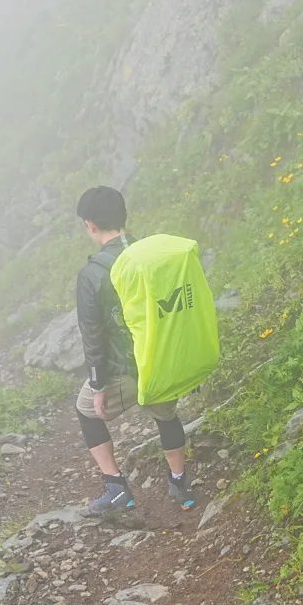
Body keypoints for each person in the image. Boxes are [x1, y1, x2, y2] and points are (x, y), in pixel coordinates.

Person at [73, 185, 198, 513]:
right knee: (166, 415)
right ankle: (179, 484)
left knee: (85, 409)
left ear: (90, 225)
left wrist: (98, 385)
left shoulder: (93, 273)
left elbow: (94, 336)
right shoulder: (154, 254)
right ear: (124, 216)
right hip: (163, 359)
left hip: (127, 371)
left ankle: (116, 488)